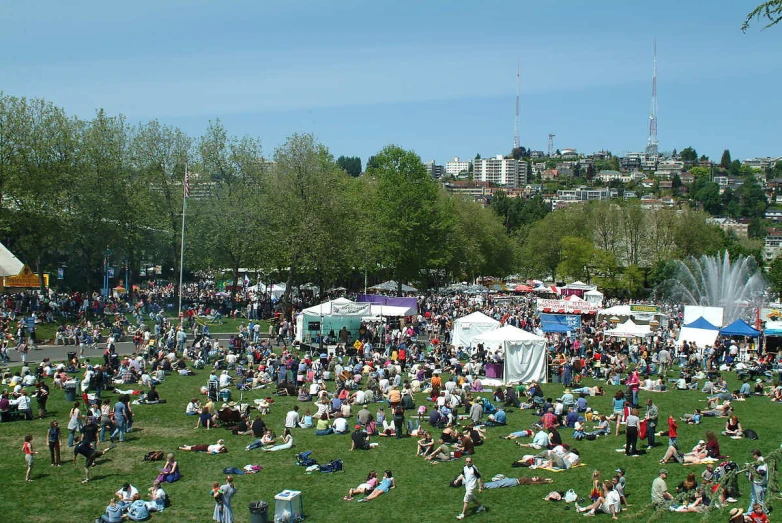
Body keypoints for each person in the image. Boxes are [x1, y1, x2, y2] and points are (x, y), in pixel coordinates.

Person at [747, 449, 768, 515]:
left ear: (756, 455)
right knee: (754, 497)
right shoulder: (760, 461)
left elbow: (762, 472)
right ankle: (750, 512)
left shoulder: (761, 461)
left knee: (760, 500)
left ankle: (765, 513)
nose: (753, 457)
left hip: (759, 483)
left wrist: (754, 468)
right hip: (757, 483)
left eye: (753, 455)